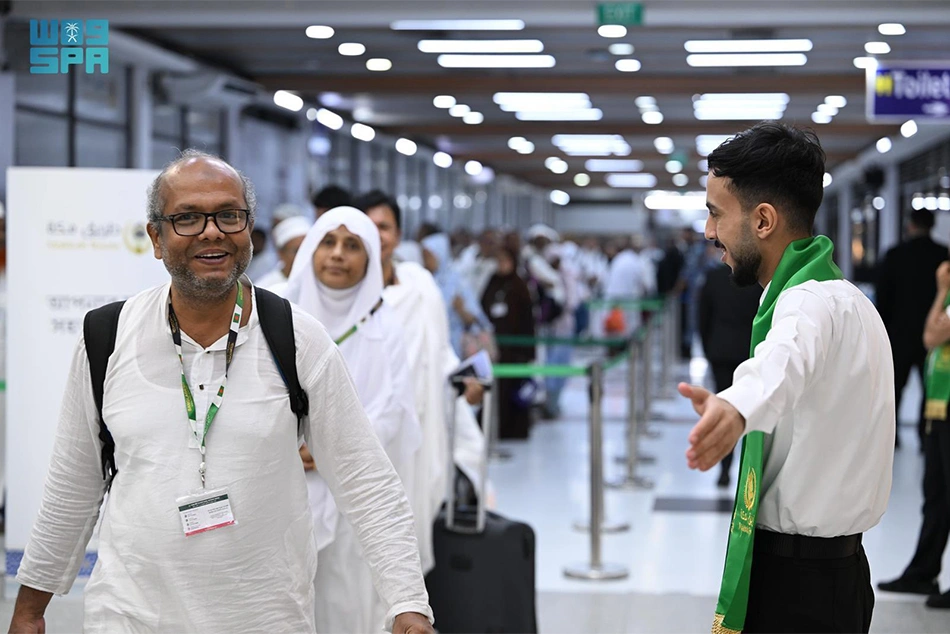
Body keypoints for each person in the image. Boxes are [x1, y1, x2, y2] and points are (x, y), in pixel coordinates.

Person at [7, 151, 433, 634]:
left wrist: (408, 603)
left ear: (248, 230)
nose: (212, 231)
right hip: (130, 616)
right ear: (155, 237)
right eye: (187, 218)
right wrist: (28, 609)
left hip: (264, 617)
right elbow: (74, 485)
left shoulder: (297, 339)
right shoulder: (107, 337)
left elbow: (366, 481)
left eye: (229, 215)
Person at [678, 122, 894, 633]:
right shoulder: (851, 301)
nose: (709, 232)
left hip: (798, 588)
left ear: (764, 220)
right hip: (841, 574)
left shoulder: (805, 304)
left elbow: (782, 362)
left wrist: (735, 407)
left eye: (715, 213)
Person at [280, 206, 424, 633]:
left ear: (370, 258)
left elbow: (392, 409)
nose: (338, 255)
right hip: (281, 488)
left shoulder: (384, 326)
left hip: (352, 494)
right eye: (328, 242)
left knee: (346, 602)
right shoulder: (278, 316)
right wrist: (291, 446)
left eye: (352, 245)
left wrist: (324, 451)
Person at [357, 190, 488, 516]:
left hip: (415, 429)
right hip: (358, 439)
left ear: (398, 235)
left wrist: (464, 386)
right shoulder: (335, 295)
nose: (377, 235)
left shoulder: (420, 288)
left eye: (384, 227)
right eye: (368, 226)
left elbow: (440, 353)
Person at [877, 260, 950, 608]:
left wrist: (939, 291)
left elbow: (931, 335)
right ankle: (923, 572)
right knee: (936, 495)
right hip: (940, 406)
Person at [875, 208, 947, 449]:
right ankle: (927, 437)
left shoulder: (895, 255)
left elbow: (882, 298)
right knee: (929, 389)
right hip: (934, 335)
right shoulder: (942, 256)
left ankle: (891, 438)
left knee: (894, 389)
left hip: (899, 335)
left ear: (910, 225)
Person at [697, 253, 761, 488]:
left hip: (720, 352)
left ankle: (724, 469)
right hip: (749, 351)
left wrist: (708, 348)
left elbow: (703, 317)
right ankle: (751, 473)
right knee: (751, 413)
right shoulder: (757, 280)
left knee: (724, 409)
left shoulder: (712, 278)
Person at [481, 246, 536, 439]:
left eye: (506, 261)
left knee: (513, 389)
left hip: (516, 349)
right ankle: (495, 429)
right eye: (499, 261)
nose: (501, 265)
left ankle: (514, 430)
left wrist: (529, 352)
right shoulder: (493, 282)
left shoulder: (520, 286)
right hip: (496, 347)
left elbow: (528, 320)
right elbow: (483, 305)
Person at [420, 232, 492, 357]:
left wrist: (461, 310)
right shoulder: (423, 280)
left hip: (454, 343)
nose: (425, 261)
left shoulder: (456, 281)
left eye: (428, 256)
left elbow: (475, 317)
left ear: (439, 254)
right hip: (429, 343)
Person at [255, 215, 311, 289]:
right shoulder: (267, 288)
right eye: (296, 251)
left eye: (308, 249)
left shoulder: (321, 281)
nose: (304, 255)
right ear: (281, 254)